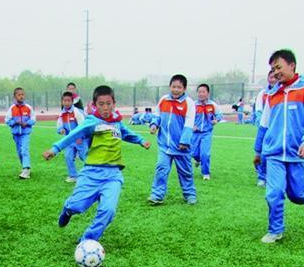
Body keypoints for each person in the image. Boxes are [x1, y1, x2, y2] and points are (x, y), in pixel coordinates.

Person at [43, 85, 151, 242]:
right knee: (77, 206)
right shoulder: (92, 122)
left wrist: (141, 141)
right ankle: (68, 209)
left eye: (109, 103)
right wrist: (54, 149)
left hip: (113, 175)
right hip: (91, 173)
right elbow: (73, 135)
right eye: (101, 104)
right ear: (94, 105)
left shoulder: (117, 122)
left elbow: (127, 134)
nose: (105, 107)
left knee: (108, 210)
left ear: (114, 103)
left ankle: (87, 240)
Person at [254, 49, 304, 243]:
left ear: (292, 65)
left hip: (296, 153)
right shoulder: (272, 94)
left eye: (278, 67)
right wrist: (258, 151)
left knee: (297, 194)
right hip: (273, 153)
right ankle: (275, 230)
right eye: (273, 69)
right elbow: (264, 125)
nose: (275, 72)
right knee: (273, 192)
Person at [148, 74, 197, 205]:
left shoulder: (189, 103)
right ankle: (156, 195)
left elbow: (189, 123)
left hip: (181, 147)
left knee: (185, 171)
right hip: (164, 144)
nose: (176, 90)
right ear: (170, 86)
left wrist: (184, 141)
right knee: (161, 169)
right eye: (174, 86)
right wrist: (154, 124)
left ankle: (190, 194)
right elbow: (157, 114)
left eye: (179, 87)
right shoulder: (164, 100)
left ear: (184, 88)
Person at [191, 84, 223, 180]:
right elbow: (188, 117)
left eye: (203, 92)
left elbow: (219, 115)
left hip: (206, 133)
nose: (201, 94)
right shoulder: (193, 105)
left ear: (208, 93)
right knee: (193, 153)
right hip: (195, 133)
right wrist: (192, 125)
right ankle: (198, 160)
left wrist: (216, 120)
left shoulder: (213, 105)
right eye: (199, 92)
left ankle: (205, 173)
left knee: (205, 154)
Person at [57, 91, 87, 183]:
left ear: (72, 101)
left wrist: (80, 137)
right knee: (68, 156)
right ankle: (73, 175)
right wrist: (61, 129)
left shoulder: (76, 112)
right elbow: (59, 125)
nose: (66, 103)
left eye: (68, 101)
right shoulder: (62, 114)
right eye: (64, 101)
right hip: (69, 140)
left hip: (79, 140)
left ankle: (93, 173)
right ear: (62, 102)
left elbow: (82, 125)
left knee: (84, 156)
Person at [5, 87, 36, 179]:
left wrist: (27, 123)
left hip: (25, 133)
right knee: (19, 152)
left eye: (22, 94)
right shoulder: (12, 108)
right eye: (19, 95)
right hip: (16, 134)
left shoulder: (28, 108)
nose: (21, 96)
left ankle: (26, 169)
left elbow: (34, 119)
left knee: (24, 150)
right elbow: (7, 120)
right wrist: (15, 122)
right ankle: (25, 168)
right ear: (15, 96)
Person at [253, 71, 278, 187]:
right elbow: (259, 110)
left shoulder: (282, 93)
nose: (273, 79)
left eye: (275, 77)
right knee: (263, 154)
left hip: (278, 129)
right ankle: (262, 177)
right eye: (271, 77)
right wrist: (261, 124)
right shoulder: (263, 94)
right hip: (265, 127)